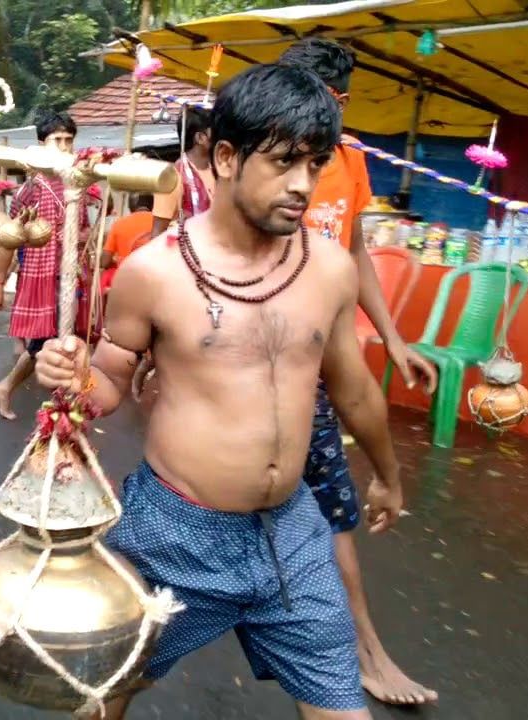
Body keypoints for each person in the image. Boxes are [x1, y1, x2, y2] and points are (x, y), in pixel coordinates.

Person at [37, 64, 402, 720]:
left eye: (316, 164)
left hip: (292, 531)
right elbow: (111, 381)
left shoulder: (329, 269)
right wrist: (74, 379)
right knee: (105, 692)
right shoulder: (154, 273)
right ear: (227, 158)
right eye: (285, 162)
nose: (303, 185)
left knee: (342, 710)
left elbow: (354, 391)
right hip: (174, 531)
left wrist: (387, 477)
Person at [277, 37, 439, 707]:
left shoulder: (349, 160)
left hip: (330, 358)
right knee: (311, 510)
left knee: (329, 509)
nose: (333, 115)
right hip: (275, 359)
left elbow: (356, 250)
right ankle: (356, 657)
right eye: (323, 100)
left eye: (341, 102)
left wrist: (396, 339)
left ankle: (361, 654)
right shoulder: (269, 161)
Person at [0, 109, 97, 420]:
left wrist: (87, 238)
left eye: (68, 140)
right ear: (40, 144)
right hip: (43, 277)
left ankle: (56, 403)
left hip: (72, 274)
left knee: (64, 341)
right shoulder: (31, 188)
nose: (63, 147)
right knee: (47, 343)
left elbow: (84, 228)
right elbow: (10, 238)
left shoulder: (79, 183)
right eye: (56, 140)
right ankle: (14, 389)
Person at [150, 106, 213, 238]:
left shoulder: (221, 172)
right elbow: (157, 234)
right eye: (216, 131)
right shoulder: (172, 178)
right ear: (200, 138)